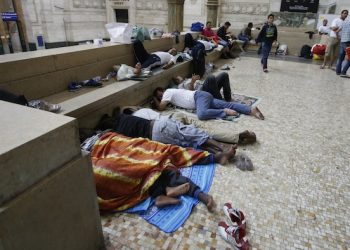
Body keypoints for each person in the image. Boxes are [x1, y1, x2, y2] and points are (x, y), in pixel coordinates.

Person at [87, 131, 236, 211]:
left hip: (109, 141)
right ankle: (196, 192)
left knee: (161, 159)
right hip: (100, 147)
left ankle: (165, 193)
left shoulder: (105, 133)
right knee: (129, 168)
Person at [96, 112, 246, 154]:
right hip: (159, 126)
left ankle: (218, 153)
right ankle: (222, 147)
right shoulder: (123, 116)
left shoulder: (119, 134)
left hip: (156, 139)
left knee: (189, 143)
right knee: (193, 134)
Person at [122, 107, 257, 145]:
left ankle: (236, 137)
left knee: (201, 133)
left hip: (167, 124)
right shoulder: (143, 110)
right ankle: (236, 135)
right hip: (175, 115)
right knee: (204, 127)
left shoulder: (134, 120)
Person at [152, 87, 264, 121]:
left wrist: (154, 99)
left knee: (201, 114)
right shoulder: (172, 91)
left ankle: (223, 112)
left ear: (162, 91)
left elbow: (161, 107)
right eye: (159, 97)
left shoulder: (167, 92)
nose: (161, 98)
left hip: (198, 98)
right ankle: (251, 109)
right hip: (204, 97)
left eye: (159, 95)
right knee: (228, 104)